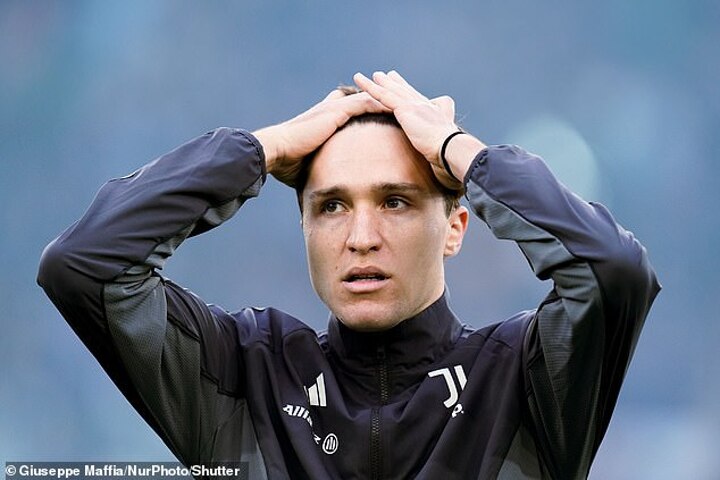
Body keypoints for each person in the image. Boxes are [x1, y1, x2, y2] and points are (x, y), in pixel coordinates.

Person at [37, 71, 660, 479]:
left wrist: (461, 152)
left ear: (455, 227)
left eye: (395, 201)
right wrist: (262, 149)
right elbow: (85, 264)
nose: (361, 237)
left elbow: (613, 271)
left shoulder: (525, 378)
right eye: (331, 206)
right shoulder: (246, 372)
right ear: (304, 227)